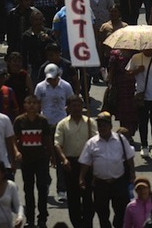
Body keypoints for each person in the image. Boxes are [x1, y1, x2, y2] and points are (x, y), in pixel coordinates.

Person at [79, 112, 136, 228]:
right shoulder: (91, 143)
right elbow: (85, 162)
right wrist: (81, 177)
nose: (102, 128)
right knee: (102, 213)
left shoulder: (121, 139)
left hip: (118, 182)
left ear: (110, 126)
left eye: (104, 125)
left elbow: (129, 157)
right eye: (100, 126)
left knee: (121, 211)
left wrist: (132, 173)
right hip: (100, 184)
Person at [55, 95, 98, 227]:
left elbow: (96, 141)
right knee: (73, 199)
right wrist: (63, 159)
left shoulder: (90, 122)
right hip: (70, 164)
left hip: (87, 164)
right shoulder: (62, 124)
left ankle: (87, 224)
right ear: (67, 108)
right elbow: (57, 143)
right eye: (73, 106)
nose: (77, 108)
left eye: (79, 105)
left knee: (87, 199)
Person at [12, 95, 52, 228]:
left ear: (38, 105)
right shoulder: (19, 121)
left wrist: (51, 156)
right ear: (24, 105)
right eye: (29, 103)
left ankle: (42, 218)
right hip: (26, 161)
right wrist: (16, 152)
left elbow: (47, 139)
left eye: (34, 103)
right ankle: (30, 218)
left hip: (41, 159)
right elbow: (14, 139)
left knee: (42, 188)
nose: (32, 106)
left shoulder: (43, 121)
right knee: (28, 189)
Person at [127, 47, 152, 159]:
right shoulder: (136, 58)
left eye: (150, 48)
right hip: (142, 96)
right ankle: (144, 146)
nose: (148, 50)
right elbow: (128, 73)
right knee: (143, 122)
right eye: (146, 47)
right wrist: (137, 71)